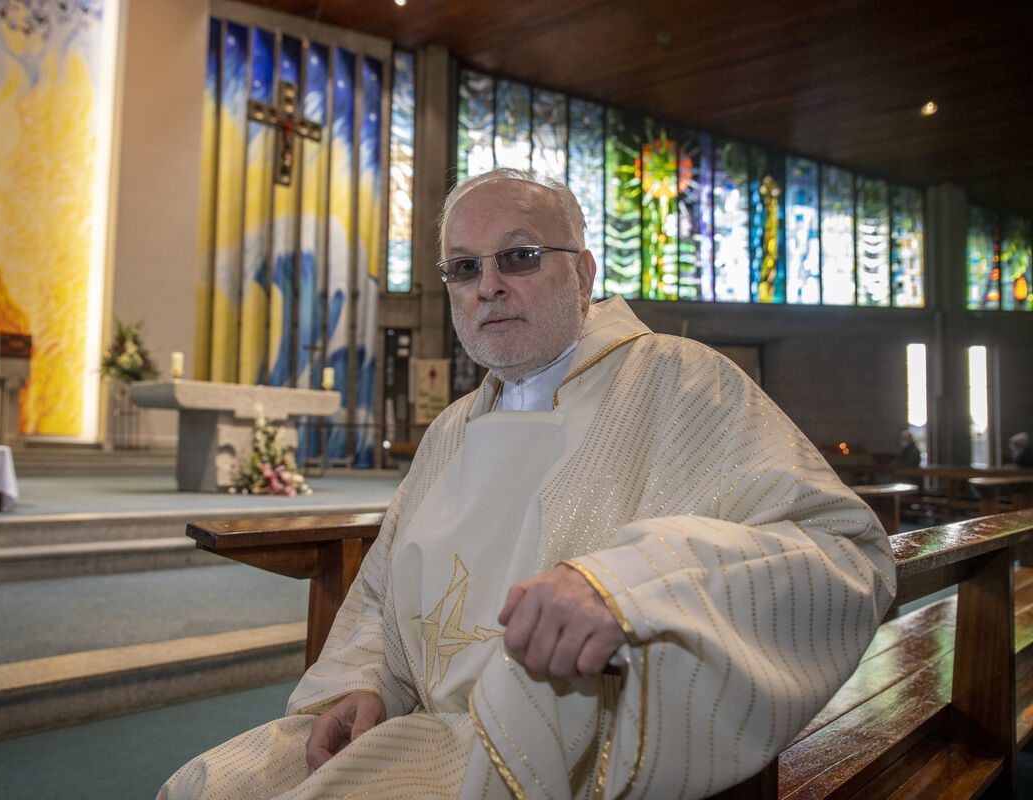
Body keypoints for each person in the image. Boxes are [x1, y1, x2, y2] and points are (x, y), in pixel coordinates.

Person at [158, 169, 896, 800]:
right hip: (413, 727)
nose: (488, 287)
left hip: (563, 753)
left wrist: (628, 587)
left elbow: (838, 548)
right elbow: (383, 591)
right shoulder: (452, 429)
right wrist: (367, 684)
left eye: (519, 256)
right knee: (202, 785)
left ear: (582, 275)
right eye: (464, 267)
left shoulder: (678, 379)